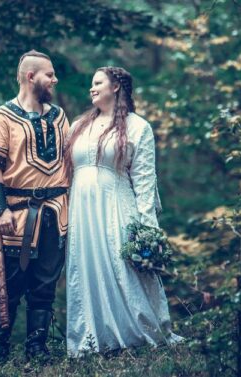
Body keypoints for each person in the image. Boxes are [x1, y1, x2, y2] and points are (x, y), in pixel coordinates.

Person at [64, 66, 183, 357]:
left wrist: (148, 228)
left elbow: (143, 181)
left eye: (97, 83)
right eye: (91, 84)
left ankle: (141, 332)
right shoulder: (78, 125)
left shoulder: (137, 126)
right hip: (82, 211)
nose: (91, 89)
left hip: (117, 206)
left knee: (124, 268)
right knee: (86, 268)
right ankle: (94, 338)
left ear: (116, 87)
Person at [0, 50, 70, 367]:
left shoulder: (59, 116)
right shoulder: (2, 117)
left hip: (56, 213)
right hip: (15, 214)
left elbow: (69, 163)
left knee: (45, 284)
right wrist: (1, 210)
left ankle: (37, 348)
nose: (54, 80)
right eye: (49, 74)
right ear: (31, 77)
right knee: (9, 285)